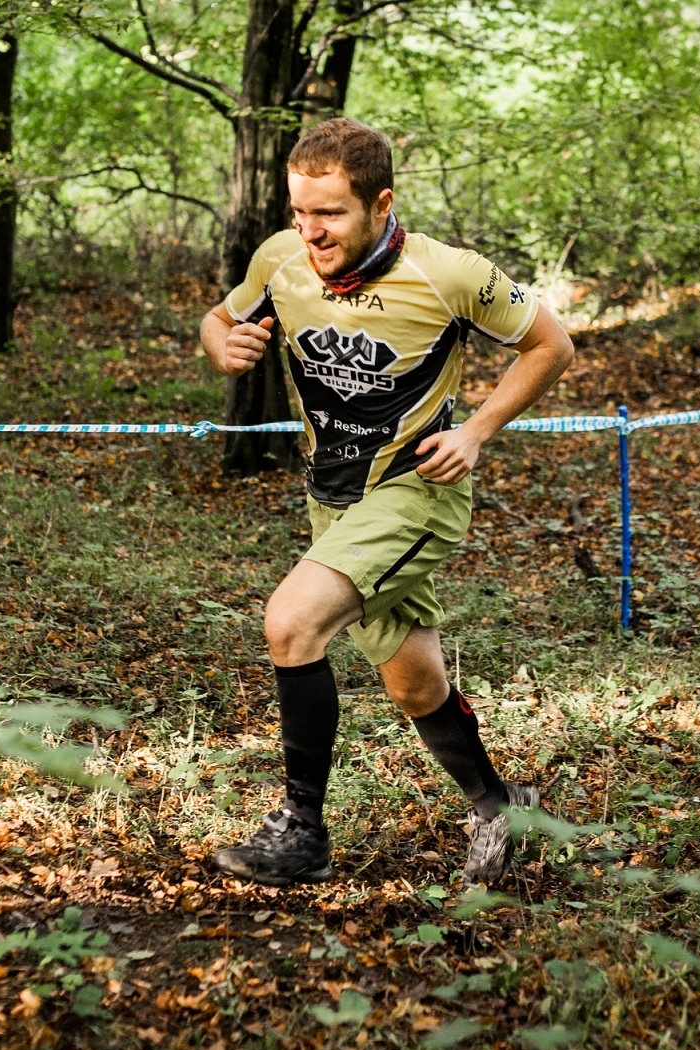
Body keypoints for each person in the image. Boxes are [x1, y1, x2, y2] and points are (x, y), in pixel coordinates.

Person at [198, 117, 575, 887]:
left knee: (290, 621)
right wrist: (221, 344)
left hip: (416, 492)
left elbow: (552, 345)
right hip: (330, 497)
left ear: (381, 202)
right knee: (413, 682)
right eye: (301, 212)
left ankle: (302, 830)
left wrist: (476, 431)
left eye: (330, 213)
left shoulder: (450, 273)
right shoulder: (280, 258)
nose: (312, 231)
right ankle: (503, 806)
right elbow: (221, 317)